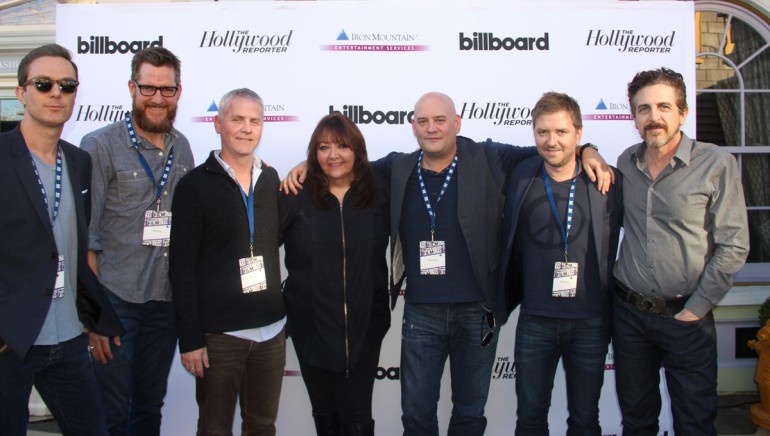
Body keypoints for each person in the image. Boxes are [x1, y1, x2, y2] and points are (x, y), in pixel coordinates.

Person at [283, 91, 612, 436]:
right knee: (416, 416)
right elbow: (346, 165)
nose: (432, 128)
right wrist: (308, 164)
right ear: (413, 127)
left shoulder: (487, 156)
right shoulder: (397, 167)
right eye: (423, 121)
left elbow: (549, 150)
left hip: (479, 313)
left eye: (440, 120)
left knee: (470, 414)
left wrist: (588, 149)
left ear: (457, 123)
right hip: (422, 313)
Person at [612, 67, 749, 435]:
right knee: (637, 421)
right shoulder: (626, 161)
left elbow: (735, 244)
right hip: (630, 317)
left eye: (663, 107)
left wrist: (697, 308)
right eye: (643, 109)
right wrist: (588, 150)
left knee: (695, 422)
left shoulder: (715, 163)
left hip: (687, 317)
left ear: (682, 113)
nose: (653, 117)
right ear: (634, 117)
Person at [0, 43, 123, 436]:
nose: (57, 93)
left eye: (67, 86)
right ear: (22, 93)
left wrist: (95, 318)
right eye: (44, 83)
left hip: (68, 337)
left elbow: (73, 245)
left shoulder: (78, 160)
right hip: (12, 340)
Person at [80, 46, 194, 436]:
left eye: (167, 90)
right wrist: (95, 316)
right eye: (148, 88)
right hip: (116, 303)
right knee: (110, 412)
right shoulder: (99, 146)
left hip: (164, 304)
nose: (158, 99)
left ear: (179, 92)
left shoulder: (183, 147)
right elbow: (87, 237)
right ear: (132, 87)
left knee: (149, 408)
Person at [499, 92, 622, 435]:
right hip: (535, 320)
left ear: (578, 134)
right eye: (542, 132)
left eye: (561, 132)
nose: (551, 141)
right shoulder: (519, 174)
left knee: (585, 420)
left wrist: (590, 152)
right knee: (530, 419)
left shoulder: (607, 182)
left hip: (590, 322)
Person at [169, 88, 286, 436]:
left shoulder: (271, 179)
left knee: (263, 426)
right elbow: (182, 268)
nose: (246, 129)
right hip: (220, 336)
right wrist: (190, 339)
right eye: (237, 119)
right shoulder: (194, 186)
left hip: (271, 330)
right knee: (214, 428)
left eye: (255, 121)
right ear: (218, 124)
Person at [280, 113, 390, 436]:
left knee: (357, 419)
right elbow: (261, 244)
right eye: (323, 148)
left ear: (357, 149)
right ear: (313, 153)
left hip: (365, 329)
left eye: (342, 146)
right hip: (311, 330)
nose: (333, 155)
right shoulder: (294, 194)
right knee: (325, 416)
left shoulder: (380, 188)